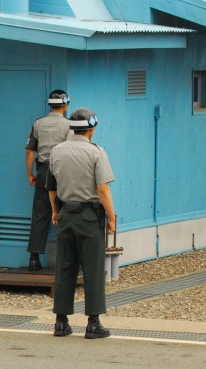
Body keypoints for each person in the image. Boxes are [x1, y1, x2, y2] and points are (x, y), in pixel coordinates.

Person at [46, 107, 116, 339]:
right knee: (93, 268)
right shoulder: (97, 153)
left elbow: (52, 187)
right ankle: (93, 323)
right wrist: (112, 216)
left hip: (66, 214)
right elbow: (103, 189)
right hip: (89, 217)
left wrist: (56, 211)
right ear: (92, 129)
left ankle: (61, 321)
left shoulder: (57, 152)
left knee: (65, 267)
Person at [25, 90, 72, 271]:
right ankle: (67, 257)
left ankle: (34, 257)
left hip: (44, 170)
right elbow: (69, 150)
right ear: (66, 105)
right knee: (67, 211)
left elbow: (30, 150)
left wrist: (30, 174)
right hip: (63, 171)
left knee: (40, 213)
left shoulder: (38, 124)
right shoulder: (69, 125)